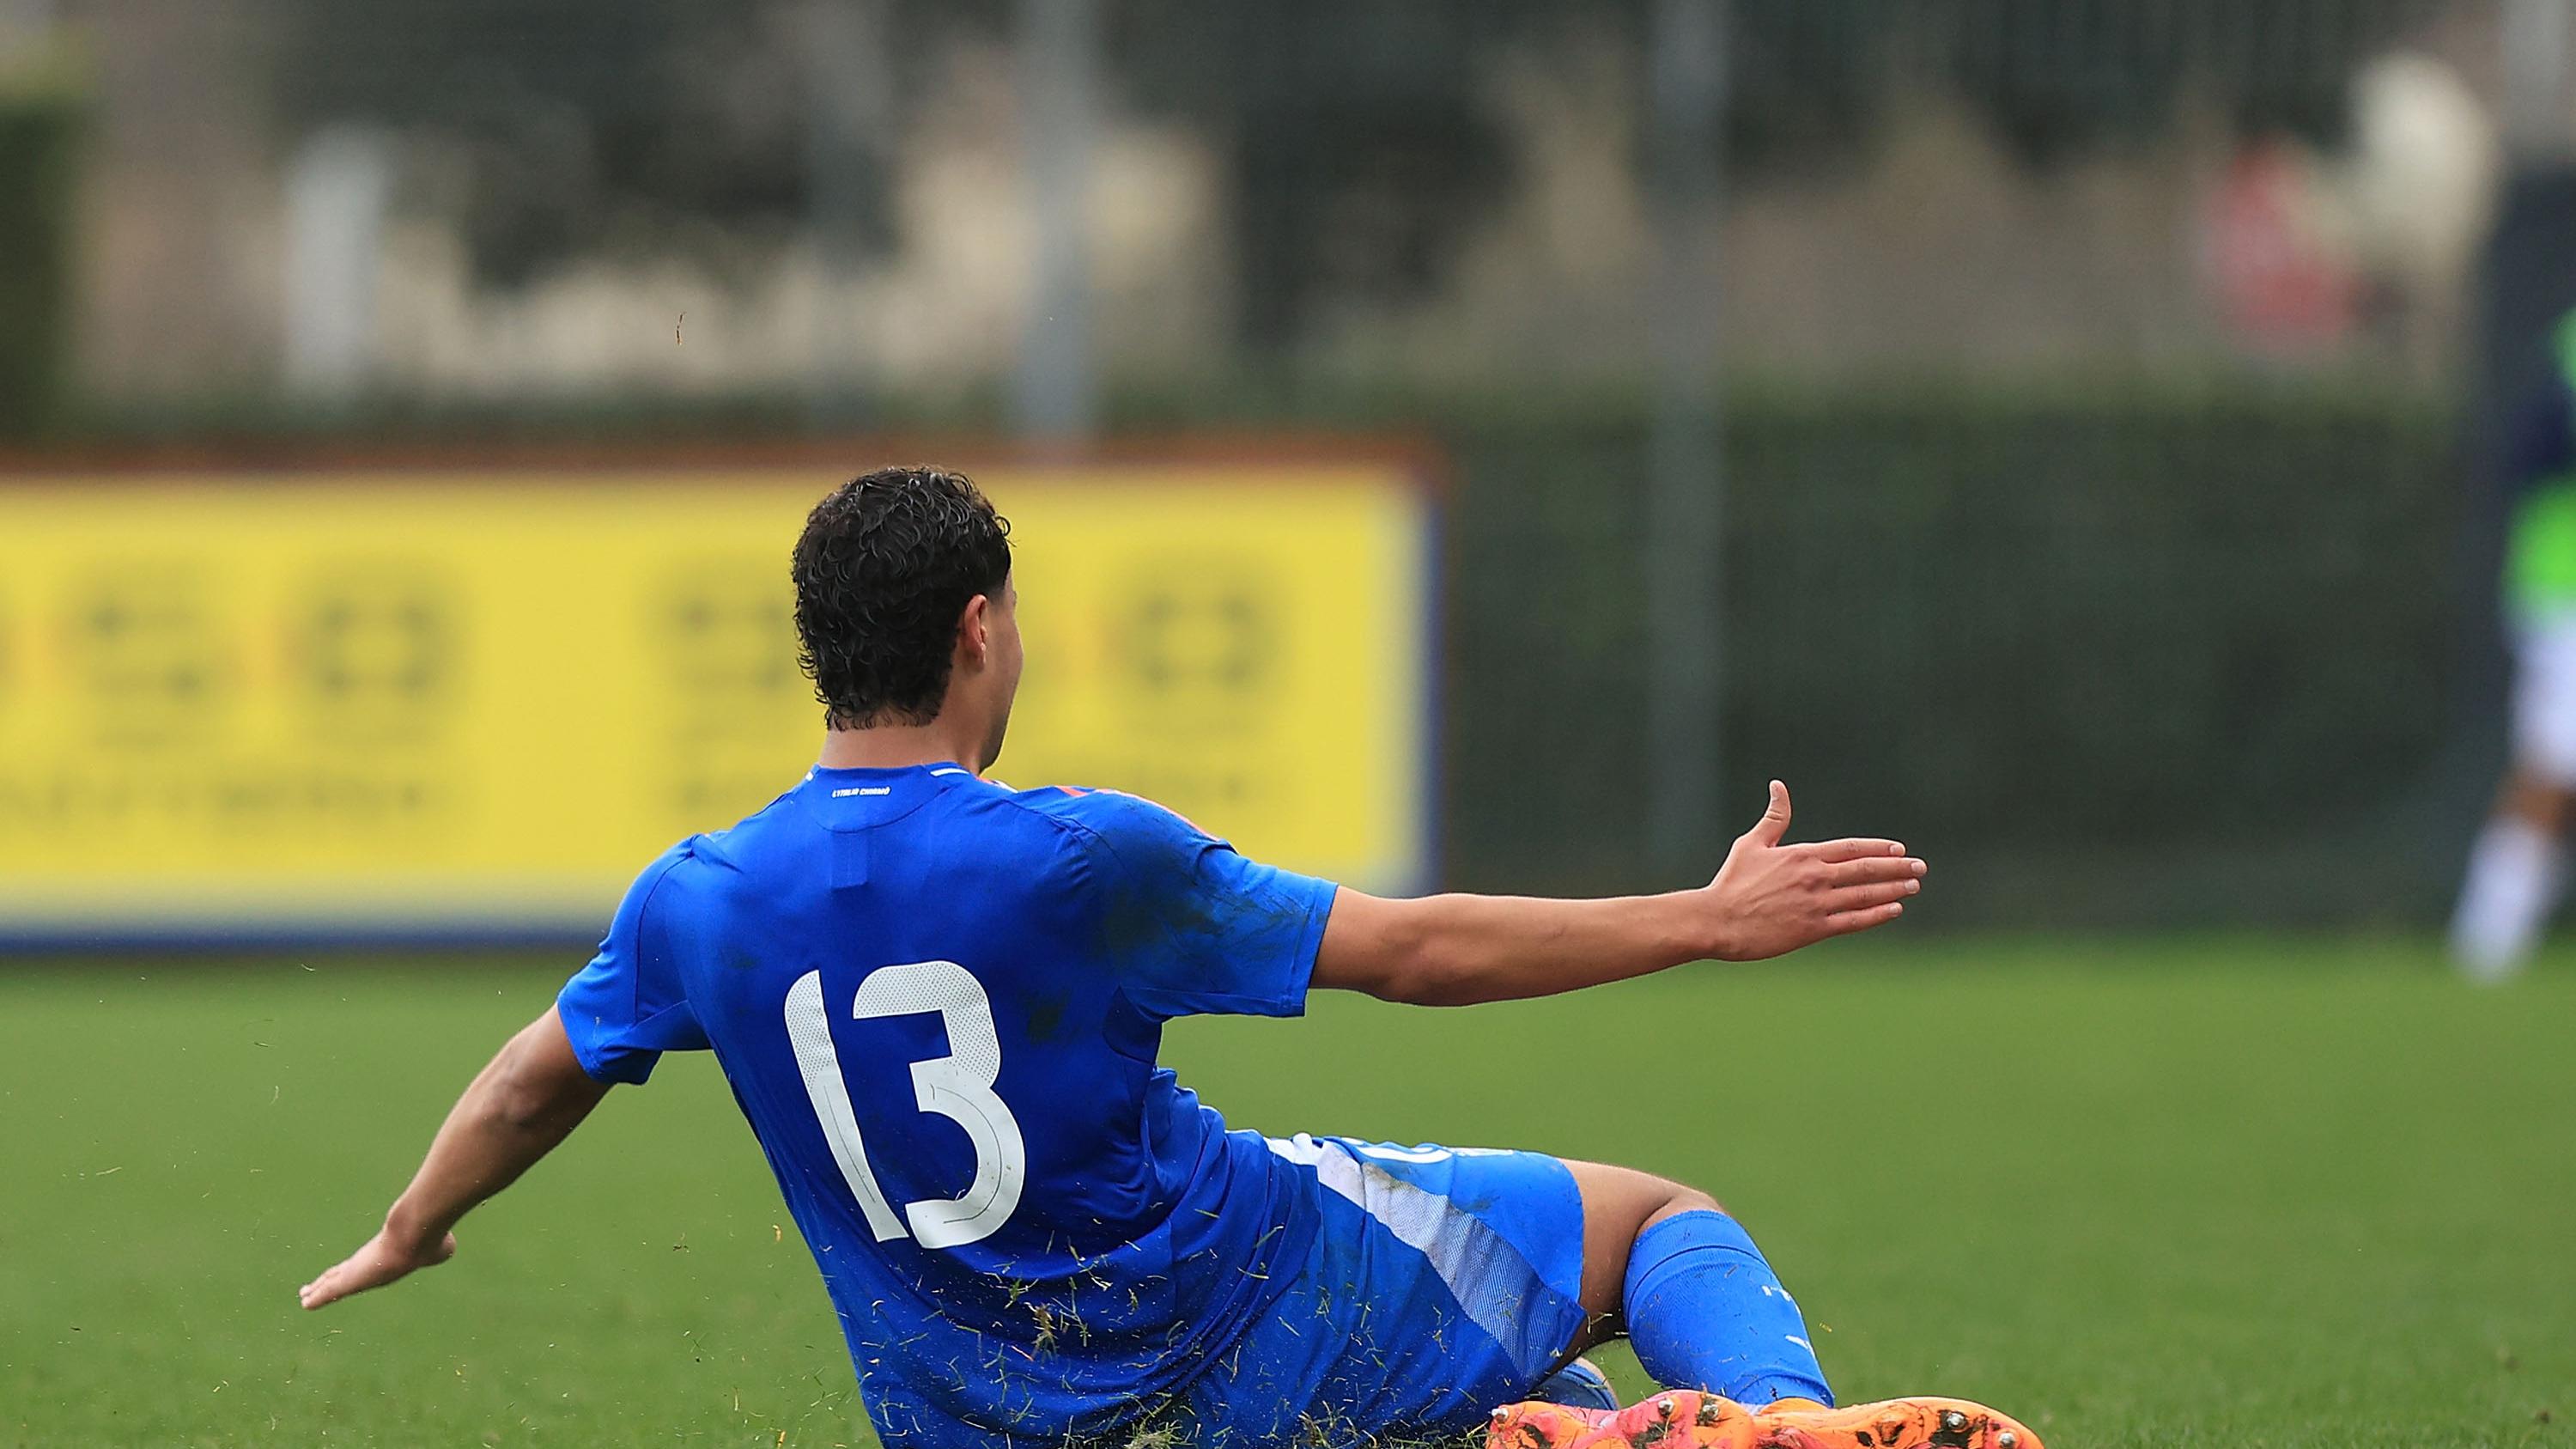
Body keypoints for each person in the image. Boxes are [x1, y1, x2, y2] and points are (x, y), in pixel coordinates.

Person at [299, 467, 2040, 1449]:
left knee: (1528, 1396)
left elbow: (540, 1075)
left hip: (997, 1422)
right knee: (1653, 1224)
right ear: (980, 628)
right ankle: (1775, 1432)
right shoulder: (1073, 857)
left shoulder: (697, 899)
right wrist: (1706, 918)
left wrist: (411, 1225)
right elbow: (1415, 951)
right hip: (1251, 1308)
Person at [2453, 309, 2576, 981]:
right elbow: (2525, 454)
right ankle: (2489, 938)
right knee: (2556, 763)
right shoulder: (2566, 370)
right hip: (2566, 600)